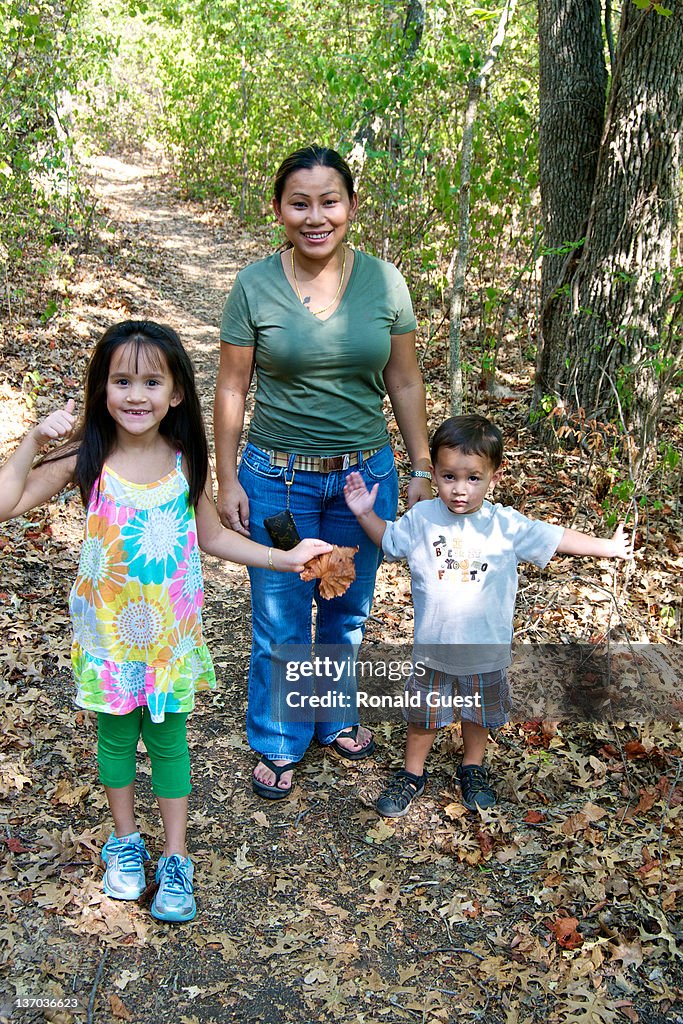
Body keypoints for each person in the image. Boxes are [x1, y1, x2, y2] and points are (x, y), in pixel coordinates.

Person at [0, 320, 330, 921]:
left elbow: (210, 537)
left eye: (152, 381)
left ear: (176, 393)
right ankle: (125, 846)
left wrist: (282, 557)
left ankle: (175, 857)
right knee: (116, 742)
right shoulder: (87, 458)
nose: (135, 394)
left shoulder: (183, 463)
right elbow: (6, 502)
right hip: (108, 640)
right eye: (121, 380)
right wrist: (32, 440)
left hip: (170, 641)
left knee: (170, 745)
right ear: (103, 389)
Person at [214, 144, 431, 799]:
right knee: (282, 614)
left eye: (328, 202)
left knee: (346, 610)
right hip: (278, 483)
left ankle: (334, 716)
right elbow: (230, 388)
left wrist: (420, 464)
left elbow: (403, 377)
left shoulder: (385, 282)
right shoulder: (254, 286)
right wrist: (226, 479)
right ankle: (279, 737)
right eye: (299, 203)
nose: (315, 216)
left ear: (351, 207)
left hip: (363, 484)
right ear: (278, 209)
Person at [343, 413, 631, 817]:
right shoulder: (423, 518)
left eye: (473, 478)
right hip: (433, 651)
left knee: (477, 715)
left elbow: (556, 538)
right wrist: (363, 514)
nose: (460, 490)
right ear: (436, 475)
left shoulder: (505, 525)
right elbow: (389, 540)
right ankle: (412, 773)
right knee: (423, 717)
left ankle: (472, 767)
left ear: (493, 477)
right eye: (448, 477)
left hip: (485, 651)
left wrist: (608, 546)